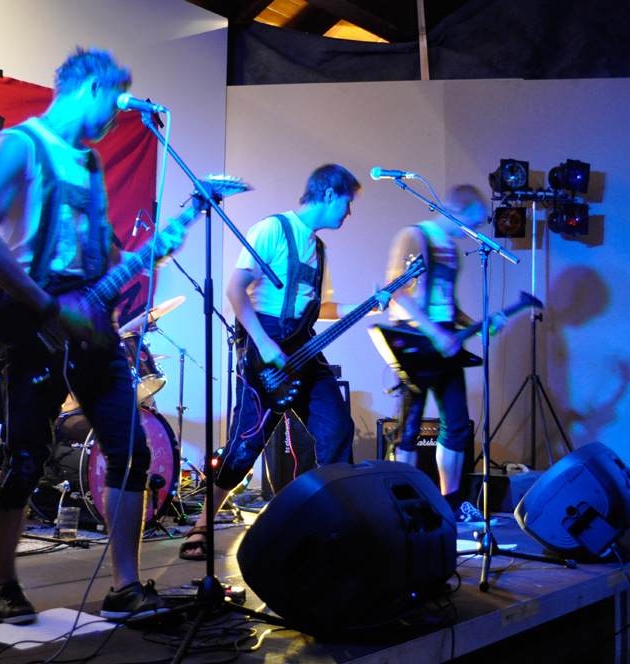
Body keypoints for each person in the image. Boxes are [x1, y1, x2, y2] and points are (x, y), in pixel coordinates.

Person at [0, 47, 183, 624]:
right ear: (92, 88)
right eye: (115, 103)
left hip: (92, 325)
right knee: (25, 457)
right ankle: (4, 585)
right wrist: (45, 306)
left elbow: (102, 254)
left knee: (131, 451)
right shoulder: (20, 145)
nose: (116, 118)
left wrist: (152, 252)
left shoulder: (88, 165)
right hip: (33, 318)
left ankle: (125, 586)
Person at [179, 164, 386, 560]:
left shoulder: (319, 249)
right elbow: (236, 290)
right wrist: (263, 342)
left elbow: (319, 308)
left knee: (337, 430)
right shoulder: (272, 229)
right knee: (245, 445)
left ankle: (333, 523)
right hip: (265, 346)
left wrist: (368, 307)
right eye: (347, 202)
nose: (348, 212)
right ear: (329, 193)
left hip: (304, 347)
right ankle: (202, 525)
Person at [382, 184, 505, 524]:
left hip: (444, 339)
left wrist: (476, 325)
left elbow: (447, 304)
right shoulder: (415, 236)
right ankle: (401, 508)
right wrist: (435, 333)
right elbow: (397, 293)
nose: (476, 230)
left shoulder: (450, 247)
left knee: (456, 423)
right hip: (414, 340)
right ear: (459, 211)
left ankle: (450, 503)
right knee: (408, 427)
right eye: (474, 221)